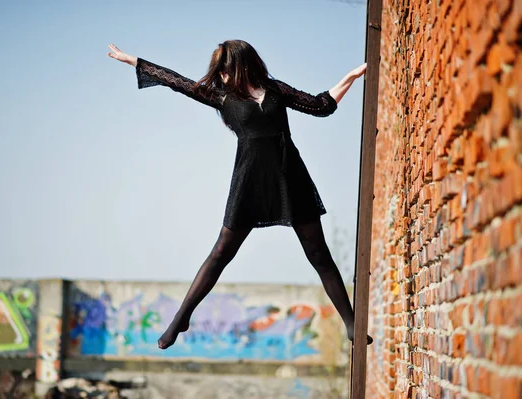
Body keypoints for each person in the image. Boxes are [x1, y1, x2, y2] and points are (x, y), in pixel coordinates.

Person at [107, 40, 373, 349]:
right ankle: (181, 318)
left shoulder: (275, 90)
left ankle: (351, 323)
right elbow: (174, 80)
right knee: (221, 253)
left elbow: (320, 106)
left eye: (224, 68)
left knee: (319, 254)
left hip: (290, 178)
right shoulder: (221, 98)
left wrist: (351, 77)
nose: (220, 75)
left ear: (241, 66)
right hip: (249, 182)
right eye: (218, 70)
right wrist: (133, 61)